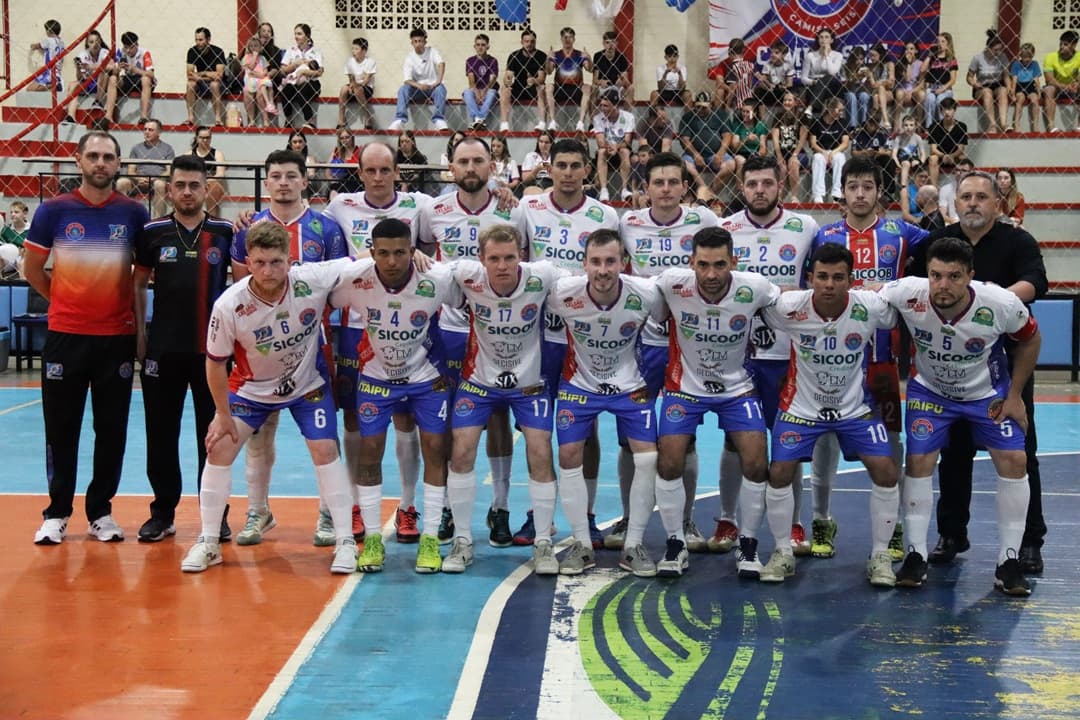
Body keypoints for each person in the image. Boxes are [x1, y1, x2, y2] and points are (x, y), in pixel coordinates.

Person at [181, 222, 357, 574]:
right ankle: (209, 541)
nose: (268, 271)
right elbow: (214, 365)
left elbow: (364, 263)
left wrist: (412, 254)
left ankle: (345, 542)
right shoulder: (230, 305)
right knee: (218, 446)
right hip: (251, 390)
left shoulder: (313, 278)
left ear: (290, 260)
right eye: (259, 262)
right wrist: (222, 414)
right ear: (247, 261)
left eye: (276, 262)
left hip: (308, 386)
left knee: (325, 450)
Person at [880, 237, 1042, 595]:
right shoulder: (906, 292)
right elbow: (868, 297)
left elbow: (1031, 340)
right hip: (931, 393)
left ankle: (1008, 561)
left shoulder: (1000, 303)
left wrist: (1015, 396)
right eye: (936, 275)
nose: (943, 285)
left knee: (1016, 459)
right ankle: (915, 555)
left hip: (987, 393)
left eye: (954, 276)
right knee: (919, 460)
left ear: (970, 275)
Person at [910, 172, 1048, 577]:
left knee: (1021, 453)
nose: (972, 203)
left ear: (997, 203)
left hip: (1005, 362)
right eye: (965, 196)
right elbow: (920, 284)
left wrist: (988, 302)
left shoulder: (1017, 240)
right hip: (948, 363)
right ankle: (952, 533)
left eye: (981, 197)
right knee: (953, 452)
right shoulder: (940, 241)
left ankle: (1028, 542)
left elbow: (1034, 283)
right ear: (956, 203)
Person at [23, 131, 149, 545]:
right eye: (92, 156)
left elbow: (143, 275)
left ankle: (101, 512)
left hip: (116, 338)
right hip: (65, 338)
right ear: (78, 160)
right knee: (61, 428)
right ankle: (57, 512)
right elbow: (32, 270)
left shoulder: (134, 214)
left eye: (108, 157)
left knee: (111, 429)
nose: (100, 163)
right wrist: (65, 299)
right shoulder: (53, 211)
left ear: (117, 164)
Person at [806, 155, 929, 560]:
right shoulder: (824, 236)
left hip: (882, 358)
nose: (860, 194)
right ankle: (821, 519)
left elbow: (946, 250)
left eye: (868, 187)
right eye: (853, 186)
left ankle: (892, 527)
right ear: (842, 191)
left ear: (880, 193)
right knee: (823, 439)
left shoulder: (903, 233)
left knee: (890, 442)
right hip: (829, 358)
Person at [756, 243, 901, 585]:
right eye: (822, 277)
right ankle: (782, 551)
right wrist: (777, 291)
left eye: (838, 277)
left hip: (855, 409)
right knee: (778, 472)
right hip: (801, 408)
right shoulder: (790, 307)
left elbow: (901, 310)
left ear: (852, 281)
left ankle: (880, 555)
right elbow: (757, 305)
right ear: (810, 279)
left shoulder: (869, 307)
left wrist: (887, 287)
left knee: (886, 470)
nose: (829, 285)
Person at [228, 150, 349, 547]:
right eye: (275, 175)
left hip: (312, 346)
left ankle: (329, 513)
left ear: (304, 180)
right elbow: (240, 289)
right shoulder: (248, 228)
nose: (283, 182)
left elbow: (336, 285)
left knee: (322, 437)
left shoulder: (326, 229)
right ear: (267, 181)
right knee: (260, 433)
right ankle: (258, 511)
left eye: (290, 175)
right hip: (260, 350)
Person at [333, 218, 461, 574]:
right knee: (369, 453)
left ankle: (432, 539)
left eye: (401, 253)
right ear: (372, 252)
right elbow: (316, 292)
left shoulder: (434, 279)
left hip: (427, 377)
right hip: (376, 377)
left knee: (437, 450)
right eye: (384, 253)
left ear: (412, 251)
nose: (392, 261)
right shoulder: (356, 279)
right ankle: (373, 538)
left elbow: (469, 295)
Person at [322, 141, 433, 546]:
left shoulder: (419, 206)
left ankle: (406, 506)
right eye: (371, 170)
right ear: (360, 172)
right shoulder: (341, 207)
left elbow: (443, 237)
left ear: (396, 171)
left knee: (406, 420)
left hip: (407, 325)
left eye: (386, 169)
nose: (379, 177)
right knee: (354, 418)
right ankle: (355, 503)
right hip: (357, 328)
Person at [418, 137, 526, 547]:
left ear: (491, 164)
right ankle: (446, 504)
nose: (470, 167)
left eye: (478, 160)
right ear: (450, 166)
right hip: (448, 330)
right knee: (445, 420)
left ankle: (500, 507)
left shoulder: (512, 208)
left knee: (497, 416)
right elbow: (420, 250)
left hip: (499, 330)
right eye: (463, 160)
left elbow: (524, 259)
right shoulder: (433, 210)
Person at [653, 225, 778, 577]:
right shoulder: (671, 283)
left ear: (733, 262)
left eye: (719, 265)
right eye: (703, 264)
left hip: (736, 389)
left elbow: (792, 303)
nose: (710, 274)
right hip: (684, 387)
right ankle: (676, 542)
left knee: (756, 460)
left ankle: (749, 544)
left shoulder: (754, 288)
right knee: (669, 458)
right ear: (691, 261)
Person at [444, 225, 566, 574]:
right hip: (480, 381)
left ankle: (543, 541)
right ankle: (463, 540)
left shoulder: (541, 276)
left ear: (521, 257)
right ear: (481, 260)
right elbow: (429, 270)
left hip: (529, 385)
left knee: (541, 448)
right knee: (462, 447)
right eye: (494, 259)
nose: (502, 266)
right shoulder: (467, 276)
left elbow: (582, 281)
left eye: (509, 257)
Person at [615, 152, 721, 552]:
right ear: (646, 188)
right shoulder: (628, 223)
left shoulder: (703, 222)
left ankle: (687, 520)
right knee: (631, 439)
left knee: (684, 437)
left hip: (688, 344)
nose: (665, 189)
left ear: (684, 186)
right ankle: (628, 519)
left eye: (673, 182)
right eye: (657, 183)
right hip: (640, 344)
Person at [515, 137, 618, 546]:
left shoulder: (604, 215)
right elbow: (518, 262)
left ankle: (587, 514)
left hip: (584, 336)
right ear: (550, 168)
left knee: (585, 427)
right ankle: (535, 515)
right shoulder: (529, 208)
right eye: (562, 165)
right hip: (539, 335)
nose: (570, 173)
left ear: (587, 170)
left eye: (577, 165)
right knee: (536, 428)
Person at [716, 154, 819, 556]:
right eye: (752, 183)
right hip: (736, 353)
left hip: (786, 354)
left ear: (781, 186)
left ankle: (792, 523)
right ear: (741, 187)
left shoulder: (804, 227)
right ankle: (727, 519)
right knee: (732, 440)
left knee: (785, 441)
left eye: (767, 183)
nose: (760, 190)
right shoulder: (724, 229)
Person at [546, 229, 664, 575]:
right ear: (583, 265)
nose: (602, 270)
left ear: (624, 263)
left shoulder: (644, 294)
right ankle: (581, 544)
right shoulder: (562, 293)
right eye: (595, 262)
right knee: (568, 453)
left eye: (610, 261)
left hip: (629, 383)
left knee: (648, 456)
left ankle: (634, 545)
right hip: (579, 384)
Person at [133, 154, 234, 542]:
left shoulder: (224, 232)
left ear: (207, 188)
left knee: (213, 437)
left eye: (195, 185)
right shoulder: (152, 231)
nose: (188, 191)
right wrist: (141, 335)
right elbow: (139, 283)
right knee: (161, 435)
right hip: (163, 351)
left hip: (212, 355)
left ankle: (215, 515)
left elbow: (240, 287)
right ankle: (162, 513)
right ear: (169, 188)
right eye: (181, 185)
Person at [678, 92, 735, 202]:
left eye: (704, 108)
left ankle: (711, 192)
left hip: (715, 153)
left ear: (710, 105)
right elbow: (685, 140)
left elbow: (727, 136)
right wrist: (695, 155)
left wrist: (720, 154)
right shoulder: (688, 117)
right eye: (698, 107)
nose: (701, 110)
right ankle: (704, 190)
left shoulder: (721, 115)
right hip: (693, 154)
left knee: (731, 164)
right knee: (686, 165)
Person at [389, 27, 448, 133]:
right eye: (415, 41)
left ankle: (439, 120)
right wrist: (419, 86)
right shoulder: (409, 57)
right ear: (411, 43)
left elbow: (441, 64)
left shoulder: (432, 51)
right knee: (403, 89)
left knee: (441, 89)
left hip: (432, 88)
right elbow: (407, 80)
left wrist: (438, 81)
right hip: (418, 89)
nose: (418, 44)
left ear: (425, 41)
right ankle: (400, 120)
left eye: (420, 41)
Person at [115, 119, 174, 217]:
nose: (146, 132)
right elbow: (131, 170)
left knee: (159, 184)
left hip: (157, 181)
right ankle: (121, 216)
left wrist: (153, 178)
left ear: (159, 132)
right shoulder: (136, 148)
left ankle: (158, 220)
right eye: (145, 129)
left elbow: (168, 172)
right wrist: (139, 179)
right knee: (121, 182)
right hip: (138, 181)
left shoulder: (167, 149)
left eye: (150, 130)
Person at [498, 29, 548, 132]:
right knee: (504, 89)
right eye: (526, 41)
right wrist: (507, 80)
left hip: (534, 88)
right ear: (522, 42)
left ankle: (542, 123)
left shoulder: (541, 56)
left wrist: (534, 80)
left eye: (532, 41)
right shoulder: (514, 55)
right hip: (518, 88)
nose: (529, 44)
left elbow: (542, 78)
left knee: (541, 88)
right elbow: (508, 75)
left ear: (535, 42)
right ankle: (504, 124)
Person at [591, 88, 635, 202]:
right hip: (606, 150)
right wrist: (609, 147)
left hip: (621, 150)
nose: (602, 108)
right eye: (601, 105)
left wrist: (616, 147)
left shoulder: (628, 117)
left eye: (606, 106)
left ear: (615, 106)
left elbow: (627, 141)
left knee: (624, 151)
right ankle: (604, 190)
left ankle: (625, 190)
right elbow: (600, 142)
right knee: (601, 152)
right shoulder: (598, 118)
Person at [545, 27, 592, 132]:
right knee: (548, 86)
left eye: (570, 37)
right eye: (565, 37)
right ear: (561, 39)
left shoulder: (579, 54)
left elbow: (589, 69)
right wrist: (548, 60)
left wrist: (589, 58)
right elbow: (548, 72)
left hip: (576, 88)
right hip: (560, 88)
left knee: (588, 87)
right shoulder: (556, 55)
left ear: (574, 39)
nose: (567, 39)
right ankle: (552, 121)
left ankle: (580, 123)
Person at [279, 24, 324, 131]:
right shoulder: (291, 50)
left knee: (302, 91)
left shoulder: (316, 52)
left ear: (307, 36)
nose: (296, 36)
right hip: (294, 81)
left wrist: (304, 71)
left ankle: (310, 120)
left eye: (299, 34)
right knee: (285, 90)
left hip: (311, 82)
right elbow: (283, 70)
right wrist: (295, 65)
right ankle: (289, 119)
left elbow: (319, 72)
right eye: (295, 34)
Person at [105, 31, 155, 124]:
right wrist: (117, 69)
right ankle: (108, 116)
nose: (128, 51)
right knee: (112, 78)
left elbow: (151, 74)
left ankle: (143, 116)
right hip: (128, 79)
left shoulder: (144, 52)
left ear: (137, 44)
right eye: (126, 47)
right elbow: (111, 68)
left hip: (142, 79)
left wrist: (135, 69)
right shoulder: (121, 52)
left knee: (145, 79)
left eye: (131, 47)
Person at [967, 30, 1011, 134]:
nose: (998, 52)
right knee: (987, 92)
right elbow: (969, 77)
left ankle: (1004, 124)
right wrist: (974, 83)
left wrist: (1010, 88)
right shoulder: (978, 58)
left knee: (1003, 90)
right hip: (982, 86)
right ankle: (992, 125)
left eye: (1000, 49)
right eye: (995, 50)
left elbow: (1006, 76)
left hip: (997, 84)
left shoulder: (1002, 57)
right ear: (988, 48)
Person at [770, 92, 809, 203]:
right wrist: (778, 155)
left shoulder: (802, 117)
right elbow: (775, 138)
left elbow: (802, 138)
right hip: (781, 152)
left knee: (793, 163)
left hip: (799, 152)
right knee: (781, 167)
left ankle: (794, 196)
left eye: (789, 100)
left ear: (795, 102)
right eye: (785, 100)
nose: (787, 102)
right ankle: (779, 197)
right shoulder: (778, 117)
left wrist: (794, 155)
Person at [809, 97, 849, 203]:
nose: (841, 113)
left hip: (836, 151)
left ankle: (837, 193)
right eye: (838, 110)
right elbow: (813, 143)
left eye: (842, 110)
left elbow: (845, 143)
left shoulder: (843, 122)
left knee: (840, 157)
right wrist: (823, 152)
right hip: (820, 151)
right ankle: (818, 195)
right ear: (830, 109)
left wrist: (834, 152)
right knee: (817, 158)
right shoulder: (817, 121)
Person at [65, 30, 110, 124]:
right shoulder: (83, 55)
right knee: (72, 84)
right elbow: (80, 78)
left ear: (100, 41)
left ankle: (98, 101)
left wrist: (91, 67)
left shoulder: (104, 52)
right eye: (91, 42)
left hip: (103, 83)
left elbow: (110, 66)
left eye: (97, 41)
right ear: (87, 44)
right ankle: (71, 116)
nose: (95, 44)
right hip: (89, 82)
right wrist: (78, 68)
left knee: (102, 72)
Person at [184, 27, 226, 126]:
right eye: (196, 40)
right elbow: (189, 75)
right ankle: (190, 117)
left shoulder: (217, 51)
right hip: (202, 82)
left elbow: (219, 76)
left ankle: (218, 118)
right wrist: (207, 74)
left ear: (208, 39)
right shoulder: (192, 51)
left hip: (219, 84)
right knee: (190, 84)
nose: (198, 43)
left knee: (214, 85)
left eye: (201, 40)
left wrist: (200, 75)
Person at [1041, 30, 1079, 133]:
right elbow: (1049, 79)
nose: (1062, 46)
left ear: (1074, 45)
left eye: (1065, 44)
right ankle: (1052, 127)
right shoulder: (1051, 57)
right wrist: (1065, 87)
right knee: (1049, 89)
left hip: (1073, 89)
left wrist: (1077, 83)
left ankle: (1079, 126)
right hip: (1057, 88)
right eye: (1060, 43)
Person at [800, 28, 844, 116]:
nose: (823, 40)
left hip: (832, 85)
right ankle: (814, 112)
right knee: (818, 85)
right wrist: (813, 81)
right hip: (815, 84)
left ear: (831, 40)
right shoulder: (810, 55)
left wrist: (826, 55)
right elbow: (803, 78)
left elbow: (832, 72)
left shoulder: (838, 55)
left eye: (827, 37)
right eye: (821, 37)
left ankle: (811, 107)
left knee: (828, 77)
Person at [927, 97, 967, 186]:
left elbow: (961, 149)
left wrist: (952, 156)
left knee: (963, 159)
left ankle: (963, 186)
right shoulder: (934, 126)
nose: (946, 112)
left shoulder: (961, 126)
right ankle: (934, 188)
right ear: (941, 111)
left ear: (954, 110)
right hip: (940, 156)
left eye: (949, 109)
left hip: (955, 155)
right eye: (944, 109)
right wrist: (944, 156)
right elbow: (933, 149)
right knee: (933, 158)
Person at [338, 37, 376, 130]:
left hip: (366, 88)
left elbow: (366, 79)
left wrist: (356, 86)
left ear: (364, 51)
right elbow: (351, 78)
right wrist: (352, 85)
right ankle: (341, 118)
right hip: (354, 86)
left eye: (356, 49)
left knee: (358, 89)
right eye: (353, 48)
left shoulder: (370, 62)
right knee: (343, 89)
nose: (353, 51)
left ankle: (367, 117)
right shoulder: (350, 61)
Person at [463, 34, 499, 130]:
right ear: (474, 46)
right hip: (475, 90)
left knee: (492, 92)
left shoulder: (493, 61)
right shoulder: (470, 61)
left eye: (483, 45)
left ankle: (479, 119)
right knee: (467, 92)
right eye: (478, 45)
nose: (480, 47)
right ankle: (479, 118)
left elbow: (493, 79)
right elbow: (471, 80)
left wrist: (484, 91)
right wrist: (477, 92)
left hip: (489, 90)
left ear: (488, 46)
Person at [923, 32, 958, 129]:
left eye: (943, 41)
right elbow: (922, 70)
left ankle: (942, 127)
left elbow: (953, 79)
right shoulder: (932, 58)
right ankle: (929, 128)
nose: (940, 44)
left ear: (948, 44)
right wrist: (930, 55)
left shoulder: (951, 59)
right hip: (932, 87)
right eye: (938, 41)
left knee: (940, 100)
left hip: (945, 88)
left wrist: (942, 89)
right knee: (930, 99)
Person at [241, 35, 276, 128]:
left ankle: (265, 119)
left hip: (260, 80)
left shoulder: (263, 58)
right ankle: (251, 119)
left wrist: (259, 74)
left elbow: (265, 71)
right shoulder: (246, 57)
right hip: (250, 81)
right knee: (246, 92)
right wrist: (254, 57)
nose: (254, 48)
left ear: (260, 47)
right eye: (251, 46)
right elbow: (250, 68)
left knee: (260, 94)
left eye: (256, 46)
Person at [189, 126, 226, 216]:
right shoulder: (189, 154)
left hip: (212, 183)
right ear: (197, 138)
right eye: (202, 138)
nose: (205, 140)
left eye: (207, 138)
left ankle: (211, 218)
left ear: (211, 138)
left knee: (212, 187)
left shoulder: (217, 154)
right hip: (195, 183)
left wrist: (207, 181)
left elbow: (220, 174)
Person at [592, 30, 632, 109]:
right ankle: (592, 119)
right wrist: (600, 82)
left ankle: (627, 117)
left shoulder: (621, 57)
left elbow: (627, 82)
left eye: (613, 42)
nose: (610, 45)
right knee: (593, 88)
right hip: (603, 87)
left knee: (631, 88)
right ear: (603, 43)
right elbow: (594, 80)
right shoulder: (598, 56)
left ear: (617, 43)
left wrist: (622, 80)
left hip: (617, 87)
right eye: (607, 42)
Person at [727, 101, 769, 177]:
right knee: (741, 161)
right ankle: (740, 187)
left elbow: (763, 149)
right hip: (740, 153)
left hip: (755, 153)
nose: (745, 114)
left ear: (755, 113)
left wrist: (758, 145)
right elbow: (734, 148)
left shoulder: (761, 125)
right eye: (743, 111)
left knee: (755, 163)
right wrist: (746, 139)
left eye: (748, 112)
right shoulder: (737, 125)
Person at [1007, 42, 1042, 133]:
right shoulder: (1016, 64)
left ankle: (1035, 125)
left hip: (1030, 85)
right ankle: (1017, 124)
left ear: (1033, 56)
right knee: (1020, 99)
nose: (1026, 59)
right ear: (1020, 55)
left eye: (1029, 57)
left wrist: (1039, 92)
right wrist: (1013, 93)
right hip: (1019, 85)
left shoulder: (1034, 64)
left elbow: (1036, 79)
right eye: (1024, 57)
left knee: (1034, 100)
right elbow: (1014, 79)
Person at [754, 39, 794, 115]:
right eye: (771, 52)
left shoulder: (788, 65)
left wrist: (783, 87)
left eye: (776, 53)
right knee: (758, 91)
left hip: (782, 91)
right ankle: (763, 121)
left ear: (784, 55)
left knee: (791, 93)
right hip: (770, 91)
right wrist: (767, 85)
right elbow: (762, 82)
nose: (773, 55)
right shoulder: (767, 65)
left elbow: (789, 84)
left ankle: (786, 117)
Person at [892, 40, 924, 129]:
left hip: (914, 91)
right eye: (906, 49)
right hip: (902, 90)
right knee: (899, 93)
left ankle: (919, 124)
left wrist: (912, 92)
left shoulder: (920, 64)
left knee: (921, 94)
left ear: (916, 51)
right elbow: (907, 78)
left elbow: (922, 84)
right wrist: (908, 63)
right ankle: (896, 125)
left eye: (911, 49)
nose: (909, 51)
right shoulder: (900, 63)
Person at [28, 19, 64, 92]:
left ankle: (52, 85)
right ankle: (54, 84)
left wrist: (32, 45)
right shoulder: (61, 42)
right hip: (57, 72)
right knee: (33, 88)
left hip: (49, 71)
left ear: (49, 31)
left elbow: (38, 46)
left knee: (30, 89)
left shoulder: (48, 40)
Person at [325, 128, 362, 199]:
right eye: (342, 138)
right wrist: (332, 180)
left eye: (347, 137)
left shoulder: (359, 151)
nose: (345, 140)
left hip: (355, 182)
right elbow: (327, 171)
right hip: (339, 182)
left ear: (352, 137)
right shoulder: (336, 152)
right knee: (333, 191)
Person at [866, 43, 895, 131]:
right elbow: (873, 85)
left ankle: (884, 120)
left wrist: (881, 83)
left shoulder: (889, 64)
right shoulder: (871, 67)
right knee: (875, 97)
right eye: (870, 56)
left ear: (881, 54)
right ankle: (882, 124)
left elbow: (891, 83)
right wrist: (870, 75)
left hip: (888, 92)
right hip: (876, 93)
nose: (872, 58)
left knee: (880, 90)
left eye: (874, 55)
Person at [842, 46, 871, 130]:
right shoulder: (845, 67)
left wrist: (869, 77)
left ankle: (863, 125)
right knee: (852, 96)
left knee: (864, 96)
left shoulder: (865, 68)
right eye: (857, 59)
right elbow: (844, 85)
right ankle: (852, 127)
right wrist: (855, 77)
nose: (859, 62)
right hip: (848, 92)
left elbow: (869, 87)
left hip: (861, 91)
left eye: (861, 59)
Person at [891, 114, 928, 180]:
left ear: (915, 126)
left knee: (916, 163)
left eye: (911, 125)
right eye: (906, 125)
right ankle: (904, 186)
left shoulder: (917, 138)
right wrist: (898, 164)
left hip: (914, 158)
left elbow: (923, 154)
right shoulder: (899, 138)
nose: (908, 127)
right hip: (902, 158)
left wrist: (921, 163)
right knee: (906, 163)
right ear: (902, 126)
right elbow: (894, 154)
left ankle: (917, 185)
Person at [520, 130, 554, 194]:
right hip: (535, 184)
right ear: (537, 142)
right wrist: (537, 169)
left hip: (551, 183)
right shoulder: (530, 156)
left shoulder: (556, 156)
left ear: (551, 143)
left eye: (547, 142)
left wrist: (551, 170)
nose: (543, 145)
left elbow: (560, 178)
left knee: (550, 192)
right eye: (541, 142)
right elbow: (525, 180)